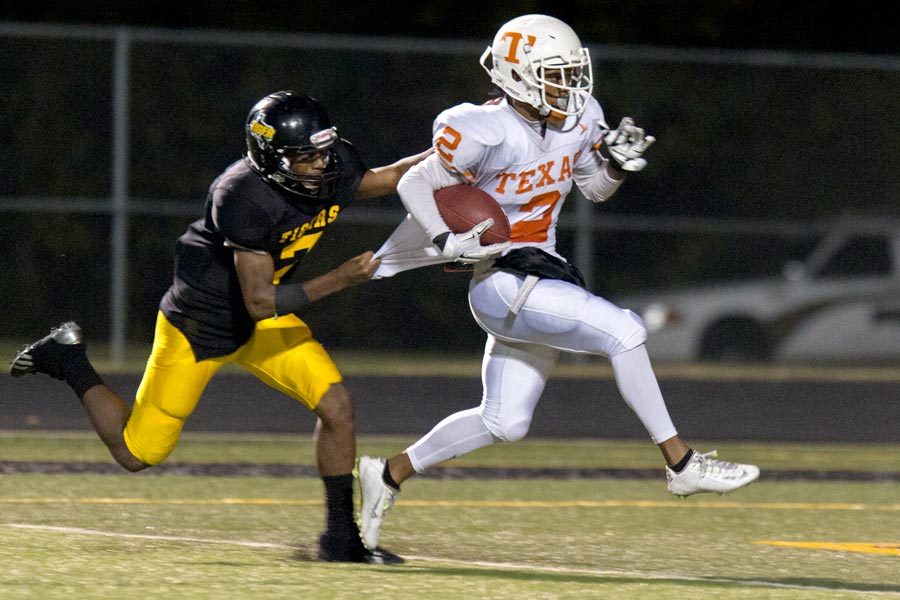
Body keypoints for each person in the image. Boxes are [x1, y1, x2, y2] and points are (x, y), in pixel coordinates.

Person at [357, 14, 760, 551]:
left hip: (540, 272)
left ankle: (386, 474)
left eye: (572, 72)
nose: (570, 85)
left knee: (505, 421)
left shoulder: (580, 116)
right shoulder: (478, 127)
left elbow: (593, 189)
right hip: (499, 276)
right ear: (518, 76)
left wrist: (614, 164)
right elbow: (415, 179)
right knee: (624, 330)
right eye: (555, 74)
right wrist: (443, 239)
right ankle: (681, 463)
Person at [9, 90, 429, 564]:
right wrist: (341, 278)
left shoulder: (326, 164)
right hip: (201, 325)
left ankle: (340, 538)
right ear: (272, 159)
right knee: (136, 454)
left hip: (265, 321)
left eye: (323, 151)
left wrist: (458, 149)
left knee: (336, 406)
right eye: (306, 156)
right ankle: (66, 358)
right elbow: (257, 300)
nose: (321, 164)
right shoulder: (242, 196)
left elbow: (392, 177)